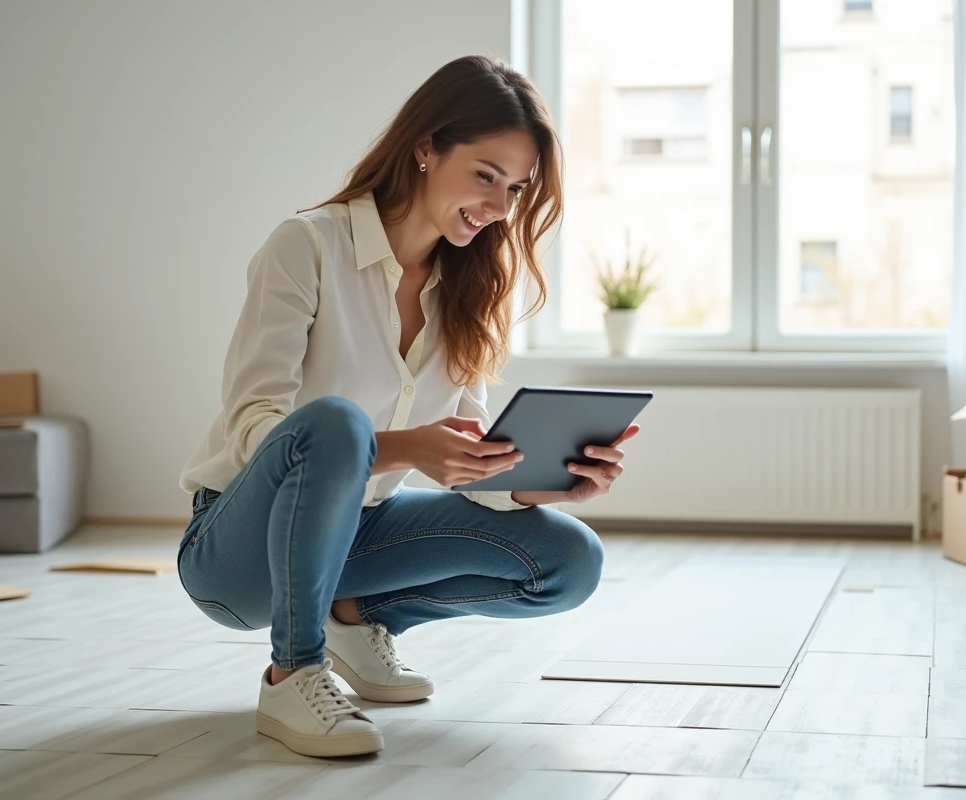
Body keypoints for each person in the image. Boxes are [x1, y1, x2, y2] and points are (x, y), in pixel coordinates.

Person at [176, 55, 640, 759]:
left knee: (569, 560)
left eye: (515, 189)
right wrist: (397, 449)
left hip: (358, 535)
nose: (500, 207)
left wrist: (541, 480)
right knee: (336, 421)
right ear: (425, 147)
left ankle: (357, 617)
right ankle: (292, 672)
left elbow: (463, 458)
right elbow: (253, 425)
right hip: (236, 552)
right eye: (486, 176)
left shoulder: (470, 287)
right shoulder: (307, 246)